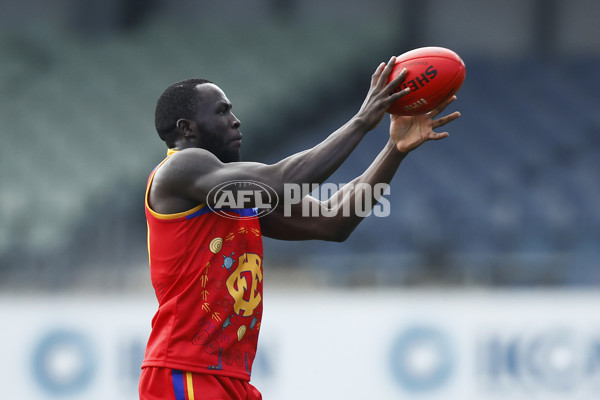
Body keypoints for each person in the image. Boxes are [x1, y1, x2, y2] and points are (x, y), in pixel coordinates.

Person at [139, 56, 460, 400]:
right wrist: (362, 121)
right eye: (221, 111)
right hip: (185, 373)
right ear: (186, 128)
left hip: (229, 378)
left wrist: (393, 150)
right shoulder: (181, 167)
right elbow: (283, 180)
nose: (235, 120)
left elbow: (333, 222)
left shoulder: (230, 196)